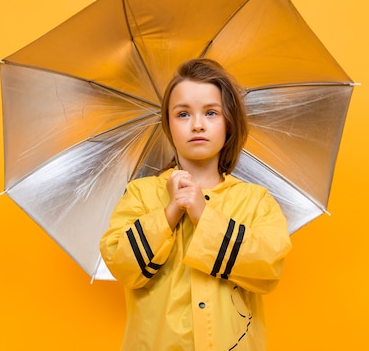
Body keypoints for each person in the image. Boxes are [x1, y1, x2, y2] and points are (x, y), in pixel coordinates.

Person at [99, 58, 292, 351]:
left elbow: (267, 268)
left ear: (229, 124)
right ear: (169, 124)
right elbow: (122, 265)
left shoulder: (255, 201)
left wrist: (204, 214)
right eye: (183, 114)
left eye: (211, 113)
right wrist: (170, 212)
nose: (198, 124)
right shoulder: (140, 194)